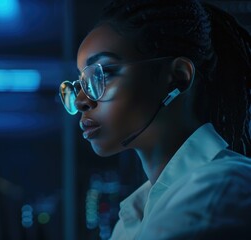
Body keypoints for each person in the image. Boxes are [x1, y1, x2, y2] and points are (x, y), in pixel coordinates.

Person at [58, 0, 251, 239]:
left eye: (103, 74)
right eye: (81, 83)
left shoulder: (218, 188)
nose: (80, 101)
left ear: (178, 78)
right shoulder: (135, 214)